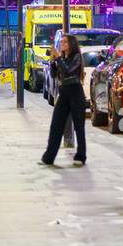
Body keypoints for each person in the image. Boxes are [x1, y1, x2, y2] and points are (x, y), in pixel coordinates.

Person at [40, 33, 87, 167]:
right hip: (64, 93)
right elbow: (55, 75)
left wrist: (59, 57)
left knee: (79, 126)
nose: (62, 44)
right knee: (56, 125)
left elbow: (68, 71)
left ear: (71, 44)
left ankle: (81, 156)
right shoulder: (62, 58)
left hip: (75, 92)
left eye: (65, 42)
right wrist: (53, 61)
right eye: (61, 42)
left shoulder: (76, 57)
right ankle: (49, 157)